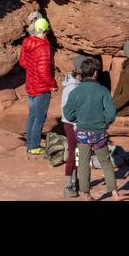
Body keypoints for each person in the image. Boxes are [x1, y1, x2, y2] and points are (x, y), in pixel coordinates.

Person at [63, 57, 125, 200]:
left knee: (83, 163)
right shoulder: (102, 91)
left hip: (82, 133)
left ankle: (86, 194)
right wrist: (106, 123)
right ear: (95, 73)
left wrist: (77, 119)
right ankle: (115, 194)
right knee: (105, 162)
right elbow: (110, 113)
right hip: (99, 133)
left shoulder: (75, 92)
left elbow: (68, 114)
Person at [18, 17, 57, 155]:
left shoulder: (27, 42)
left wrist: (32, 68)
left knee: (32, 116)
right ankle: (34, 146)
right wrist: (52, 84)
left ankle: (30, 144)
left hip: (31, 84)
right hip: (42, 88)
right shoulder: (44, 47)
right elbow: (44, 71)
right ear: (46, 30)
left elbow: (22, 62)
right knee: (39, 118)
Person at [59, 54, 87, 198]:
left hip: (77, 124)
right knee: (73, 153)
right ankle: (67, 185)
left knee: (77, 153)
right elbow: (68, 110)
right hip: (71, 124)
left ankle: (75, 180)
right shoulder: (71, 88)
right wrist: (76, 125)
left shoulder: (78, 84)